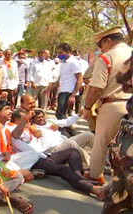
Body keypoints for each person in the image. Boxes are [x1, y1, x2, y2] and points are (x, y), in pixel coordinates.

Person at [83, 26, 132, 182]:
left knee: (101, 142)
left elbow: (96, 88)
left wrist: (87, 108)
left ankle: (95, 175)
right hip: (130, 105)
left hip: (112, 105)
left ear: (108, 41)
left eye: (100, 45)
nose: (100, 48)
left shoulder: (106, 57)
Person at [43, 43, 83, 120]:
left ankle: (63, 130)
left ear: (68, 51)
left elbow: (80, 79)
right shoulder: (64, 62)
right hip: (62, 91)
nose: (59, 55)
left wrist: (73, 95)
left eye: (61, 53)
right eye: (58, 53)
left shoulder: (73, 62)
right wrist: (47, 89)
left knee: (60, 114)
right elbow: (59, 80)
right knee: (60, 114)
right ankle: (66, 129)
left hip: (68, 92)